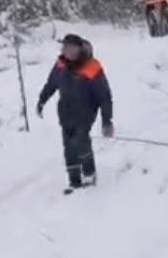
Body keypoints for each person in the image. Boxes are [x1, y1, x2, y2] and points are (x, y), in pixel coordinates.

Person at [36, 34, 114, 193]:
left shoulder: (91, 67)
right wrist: (41, 101)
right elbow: (51, 84)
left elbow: (104, 96)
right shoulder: (60, 65)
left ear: (79, 49)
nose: (67, 52)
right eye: (64, 48)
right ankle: (74, 179)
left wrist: (107, 120)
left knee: (80, 141)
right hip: (65, 112)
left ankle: (89, 174)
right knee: (68, 145)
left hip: (86, 112)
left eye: (71, 48)